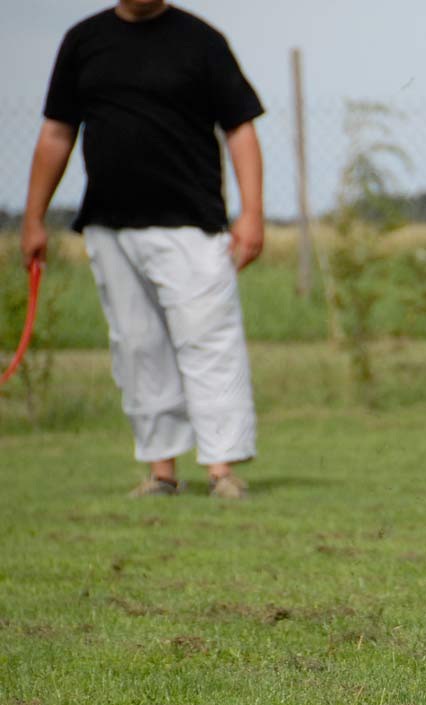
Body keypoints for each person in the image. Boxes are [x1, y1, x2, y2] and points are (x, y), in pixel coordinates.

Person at [20, 0, 265, 499]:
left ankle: (222, 471)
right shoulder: (83, 41)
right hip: (110, 225)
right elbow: (56, 132)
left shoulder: (202, 41)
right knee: (137, 347)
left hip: (192, 224)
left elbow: (240, 127)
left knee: (208, 342)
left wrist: (253, 212)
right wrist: (32, 218)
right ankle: (161, 473)